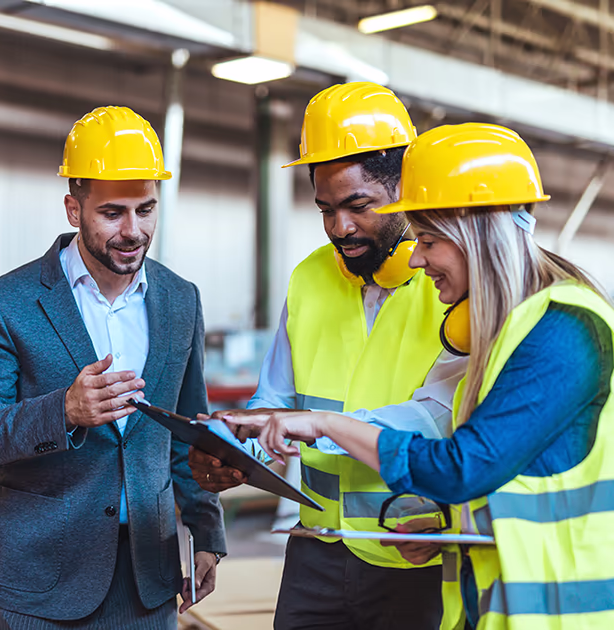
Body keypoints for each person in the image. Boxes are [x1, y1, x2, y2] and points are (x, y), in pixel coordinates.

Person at [245, 122, 614, 630]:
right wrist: (449, 523)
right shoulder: (517, 326)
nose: (417, 258)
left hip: (559, 610)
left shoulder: (564, 330)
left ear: (477, 235)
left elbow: (464, 465)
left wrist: (328, 425)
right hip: (505, 600)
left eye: (430, 240)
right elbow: (519, 471)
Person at [190, 83, 468, 630]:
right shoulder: (310, 278)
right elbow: (276, 403)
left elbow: (443, 421)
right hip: (316, 549)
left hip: (417, 550)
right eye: (326, 209)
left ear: (404, 187)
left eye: (358, 206)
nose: (340, 228)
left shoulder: (447, 281)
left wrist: (318, 426)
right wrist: (237, 447)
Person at [0, 106, 227, 630]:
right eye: (113, 213)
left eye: (146, 210)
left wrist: (206, 532)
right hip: (42, 585)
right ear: (74, 209)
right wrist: (65, 411)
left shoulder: (180, 299)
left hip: (150, 577)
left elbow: (190, 433)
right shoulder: (7, 304)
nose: (133, 231)